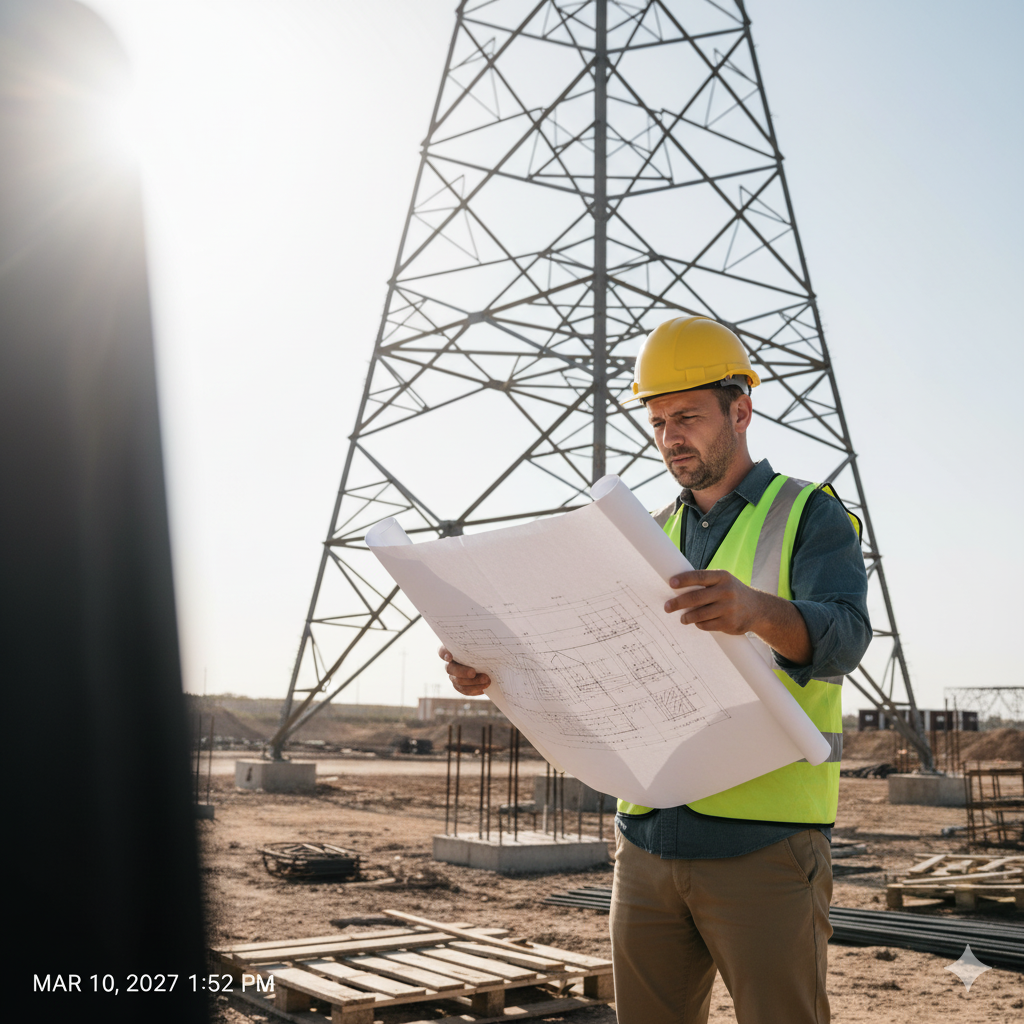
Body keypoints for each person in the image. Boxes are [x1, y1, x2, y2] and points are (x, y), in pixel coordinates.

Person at [441, 315, 871, 1024]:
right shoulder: (646, 535)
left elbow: (848, 636)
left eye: (689, 417)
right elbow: (597, 669)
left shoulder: (808, 514)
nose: (671, 436)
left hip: (763, 845)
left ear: (741, 411)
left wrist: (757, 610)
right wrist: (497, 674)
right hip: (644, 844)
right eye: (659, 420)